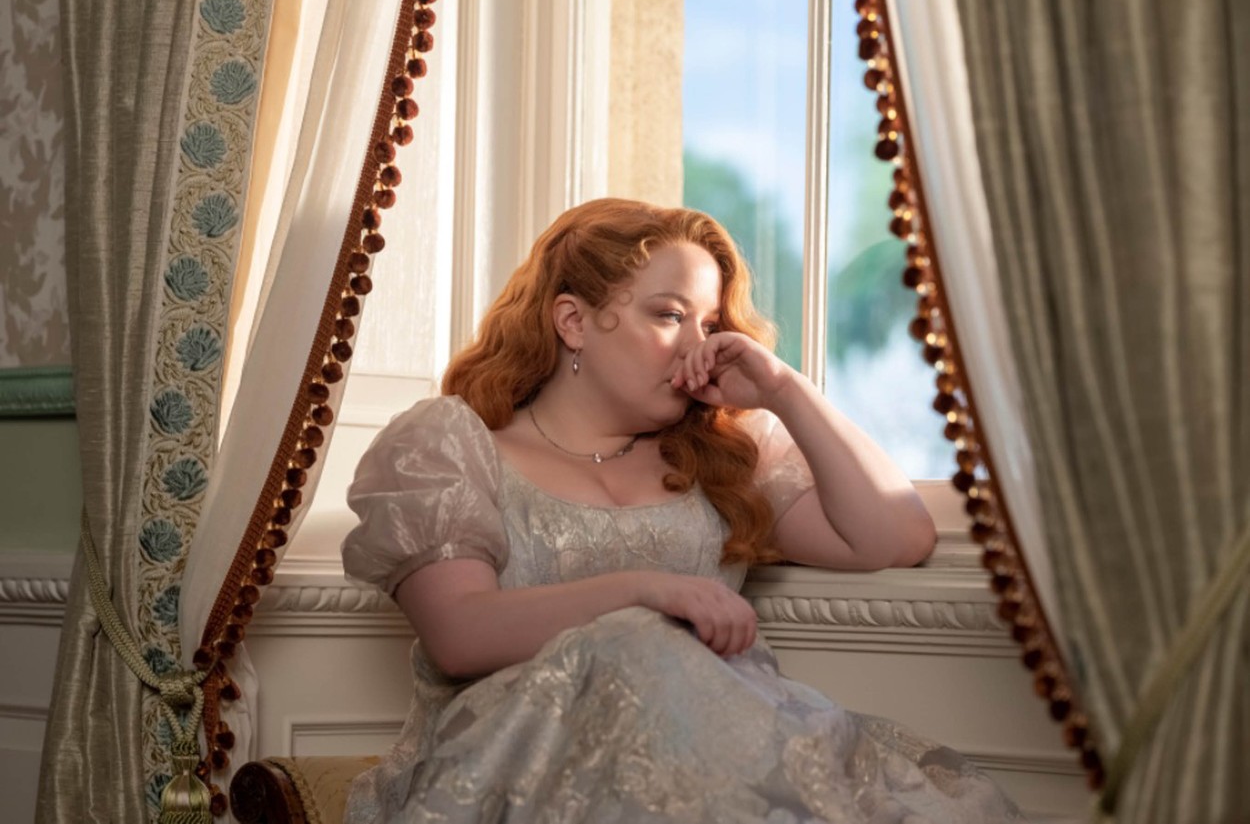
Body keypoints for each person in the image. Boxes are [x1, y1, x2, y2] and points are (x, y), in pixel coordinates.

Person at [340, 198, 1022, 822]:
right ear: (573, 321)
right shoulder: (449, 446)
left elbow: (896, 536)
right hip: (510, 772)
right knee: (636, 649)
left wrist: (784, 390)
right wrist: (647, 593)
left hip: (711, 777)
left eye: (711, 324)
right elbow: (459, 633)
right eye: (669, 315)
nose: (698, 345)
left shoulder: (724, 456)